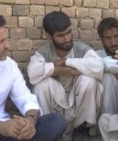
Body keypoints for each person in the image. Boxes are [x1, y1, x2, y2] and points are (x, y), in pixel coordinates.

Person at [27, 11, 104, 140]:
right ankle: (49, 130)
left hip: (78, 104)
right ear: (49, 36)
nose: (67, 39)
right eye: (61, 35)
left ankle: (81, 129)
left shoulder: (81, 49)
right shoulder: (43, 52)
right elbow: (32, 73)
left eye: (68, 32)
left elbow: (98, 67)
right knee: (41, 85)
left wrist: (67, 62)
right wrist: (61, 69)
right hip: (56, 106)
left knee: (88, 81)